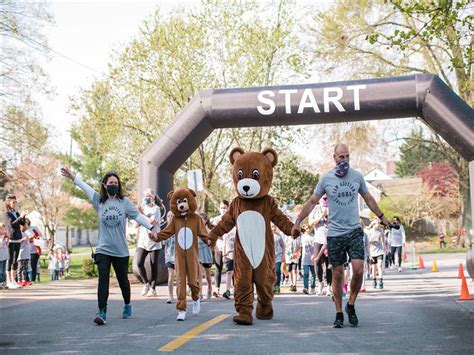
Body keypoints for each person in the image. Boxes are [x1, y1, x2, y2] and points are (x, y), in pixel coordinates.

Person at [293, 143, 389, 328]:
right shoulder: (326, 179)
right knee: (337, 274)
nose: (344, 160)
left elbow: (368, 198)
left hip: (354, 230)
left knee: (359, 269)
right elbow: (313, 201)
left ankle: (351, 304)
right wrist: (298, 221)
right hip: (335, 233)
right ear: (334, 157)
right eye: (341, 157)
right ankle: (338, 312)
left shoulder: (357, 176)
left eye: (347, 156)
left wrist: (382, 217)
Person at [61, 167, 156, 325]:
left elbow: (138, 216)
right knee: (103, 280)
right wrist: (74, 178)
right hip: (103, 249)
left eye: (116, 183)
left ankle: (127, 304)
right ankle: (102, 312)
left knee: (122, 281)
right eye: (111, 182)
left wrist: (151, 228)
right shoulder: (99, 200)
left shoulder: (124, 202)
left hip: (120, 250)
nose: (114, 185)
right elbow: (86, 188)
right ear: (105, 185)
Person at [135, 188, 162, 298]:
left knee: (153, 264)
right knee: (139, 263)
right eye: (145, 196)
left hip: (153, 239)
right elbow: (137, 224)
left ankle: (153, 288)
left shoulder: (156, 209)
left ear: (153, 197)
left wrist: (142, 214)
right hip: (143, 240)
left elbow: (151, 222)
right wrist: (138, 216)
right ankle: (146, 283)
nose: (146, 198)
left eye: (148, 196)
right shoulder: (143, 208)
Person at [3, 194, 27, 289]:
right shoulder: (6, 214)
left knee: (15, 261)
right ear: (8, 203)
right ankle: (8, 281)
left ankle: (14, 280)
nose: (15, 203)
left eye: (16, 201)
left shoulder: (16, 213)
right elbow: (12, 225)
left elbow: (22, 223)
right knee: (10, 259)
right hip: (11, 239)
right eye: (13, 202)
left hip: (18, 238)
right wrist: (20, 216)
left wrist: (23, 216)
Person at [309, 197, 332, 296]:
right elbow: (310, 223)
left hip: (330, 238)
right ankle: (320, 283)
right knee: (317, 261)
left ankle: (329, 286)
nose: (324, 198)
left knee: (329, 264)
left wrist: (328, 216)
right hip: (318, 238)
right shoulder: (315, 208)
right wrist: (321, 216)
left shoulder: (332, 207)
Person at [210, 200, 229, 297]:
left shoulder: (231, 219)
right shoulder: (215, 220)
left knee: (231, 268)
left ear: (228, 208)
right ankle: (216, 289)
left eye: (225, 208)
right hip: (219, 245)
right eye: (221, 208)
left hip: (230, 247)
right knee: (218, 267)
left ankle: (231, 288)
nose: (223, 210)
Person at [198, 213, 214, 301]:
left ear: (205, 220)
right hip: (198, 254)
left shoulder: (209, 230)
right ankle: (200, 293)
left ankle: (209, 287)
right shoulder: (195, 230)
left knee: (207, 276)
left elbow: (212, 242)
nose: (200, 221)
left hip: (206, 254)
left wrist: (210, 242)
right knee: (199, 275)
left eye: (202, 219)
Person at [368, 220, 386, 289]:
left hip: (380, 251)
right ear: (373, 224)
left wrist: (384, 247)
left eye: (379, 223)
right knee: (374, 267)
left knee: (380, 265)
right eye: (377, 223)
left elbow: (383, 239)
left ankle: (381, 281)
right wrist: (373, 241)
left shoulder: (381, 230)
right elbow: (368, 242)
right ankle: (374, 281)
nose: (379, 225)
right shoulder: (370, 232)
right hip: (372, 252)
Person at [162, 211, 176, 304]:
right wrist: (165, 257)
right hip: (169, 256)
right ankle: (170, 296)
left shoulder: (179, 229)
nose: (170, 217)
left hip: (179, 257)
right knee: (170, 276)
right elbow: (165, 246)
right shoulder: (165, 231)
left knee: (180, 277)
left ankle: (180, 294)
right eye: (168, 216)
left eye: (172, 215)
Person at [301, 224, 316, 294]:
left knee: (313, 273)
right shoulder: (302, 237)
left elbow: (316, 247)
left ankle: (313, 287)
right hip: (305, 259)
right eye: (306, 228)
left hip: (312, 258)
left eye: (308, 228)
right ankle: (306, 287)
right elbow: (299, 246)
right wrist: (296, 252)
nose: (307, 230)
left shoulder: (313, 237)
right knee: (306, 273)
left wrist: (315, 255)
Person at [222, 226, 236, 299]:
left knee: (237, 273)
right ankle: (227, 290)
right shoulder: (226, 231)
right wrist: (223, 255)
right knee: (228, 272)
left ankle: (236, 289)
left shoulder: (237, 229)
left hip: (237, 254)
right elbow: (224, 244)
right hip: (228, 254)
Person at [273, 224, 285, 294]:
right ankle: (272, 286)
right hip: (270, 257)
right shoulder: (266, 235)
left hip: (278, 256)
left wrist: (283, 255)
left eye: (274, 226)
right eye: (272, 227)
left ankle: (277, 286)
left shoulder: (278, 236)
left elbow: (283, 246)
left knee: (277, 271)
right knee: (271, 272)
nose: (273, 228)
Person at [0, 223, 9, 290]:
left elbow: (6, 245)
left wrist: (7, 239)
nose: (4, 230)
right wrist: (2, 238)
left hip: (4, 256)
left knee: (3, 271)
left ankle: (4, 283)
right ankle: (0, 283)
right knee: (0, 271)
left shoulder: (4, 238)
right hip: (0, 257)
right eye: (2, 229)